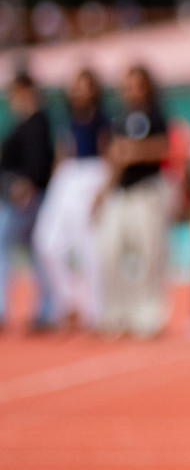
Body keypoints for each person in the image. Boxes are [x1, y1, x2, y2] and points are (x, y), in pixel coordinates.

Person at [94, 64, 170, 338]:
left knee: (149, 255)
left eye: (136, 84)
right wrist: (103, 192)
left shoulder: (155, 114)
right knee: (111, 254)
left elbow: (164, 146)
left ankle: (148, 316)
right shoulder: (118, 118)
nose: (131, 90)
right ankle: (116, 315)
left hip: (146, 191)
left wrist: (133, 151)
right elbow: (112, 156)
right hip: (120, 194)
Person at [34, 69, 112, 331]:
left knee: (87, 246)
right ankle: (69, 301)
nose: (80, 92)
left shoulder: (102, 119)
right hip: (67, 176)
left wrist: (102, 191)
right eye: (76, 86)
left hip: (92, 174)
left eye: (85, 86)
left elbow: (107, 153)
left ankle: (95, 312)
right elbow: (62, 151)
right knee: (46, 242)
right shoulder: (65, 118)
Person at [0, 72, 57, 332]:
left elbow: (38, 163)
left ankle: (44, 309)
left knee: (7, 245)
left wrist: (27, 186)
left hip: (26, 199)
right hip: (26, 197)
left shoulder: (37, 121)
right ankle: (47, 309)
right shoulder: (27, 122)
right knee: (37, 252)